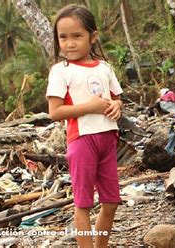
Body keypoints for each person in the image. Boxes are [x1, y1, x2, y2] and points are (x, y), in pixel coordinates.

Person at [46, 5, 123, 248]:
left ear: (93, 37)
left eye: (77, 36)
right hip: (81, 141)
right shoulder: (61, 71)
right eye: (63, 37)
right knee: (83, 203)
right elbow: (55, 112)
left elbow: (116, 98)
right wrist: (89, 107)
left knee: (110, 202)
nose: (69, 43)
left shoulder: (104, 67)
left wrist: (118, 106)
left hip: (108, 138)